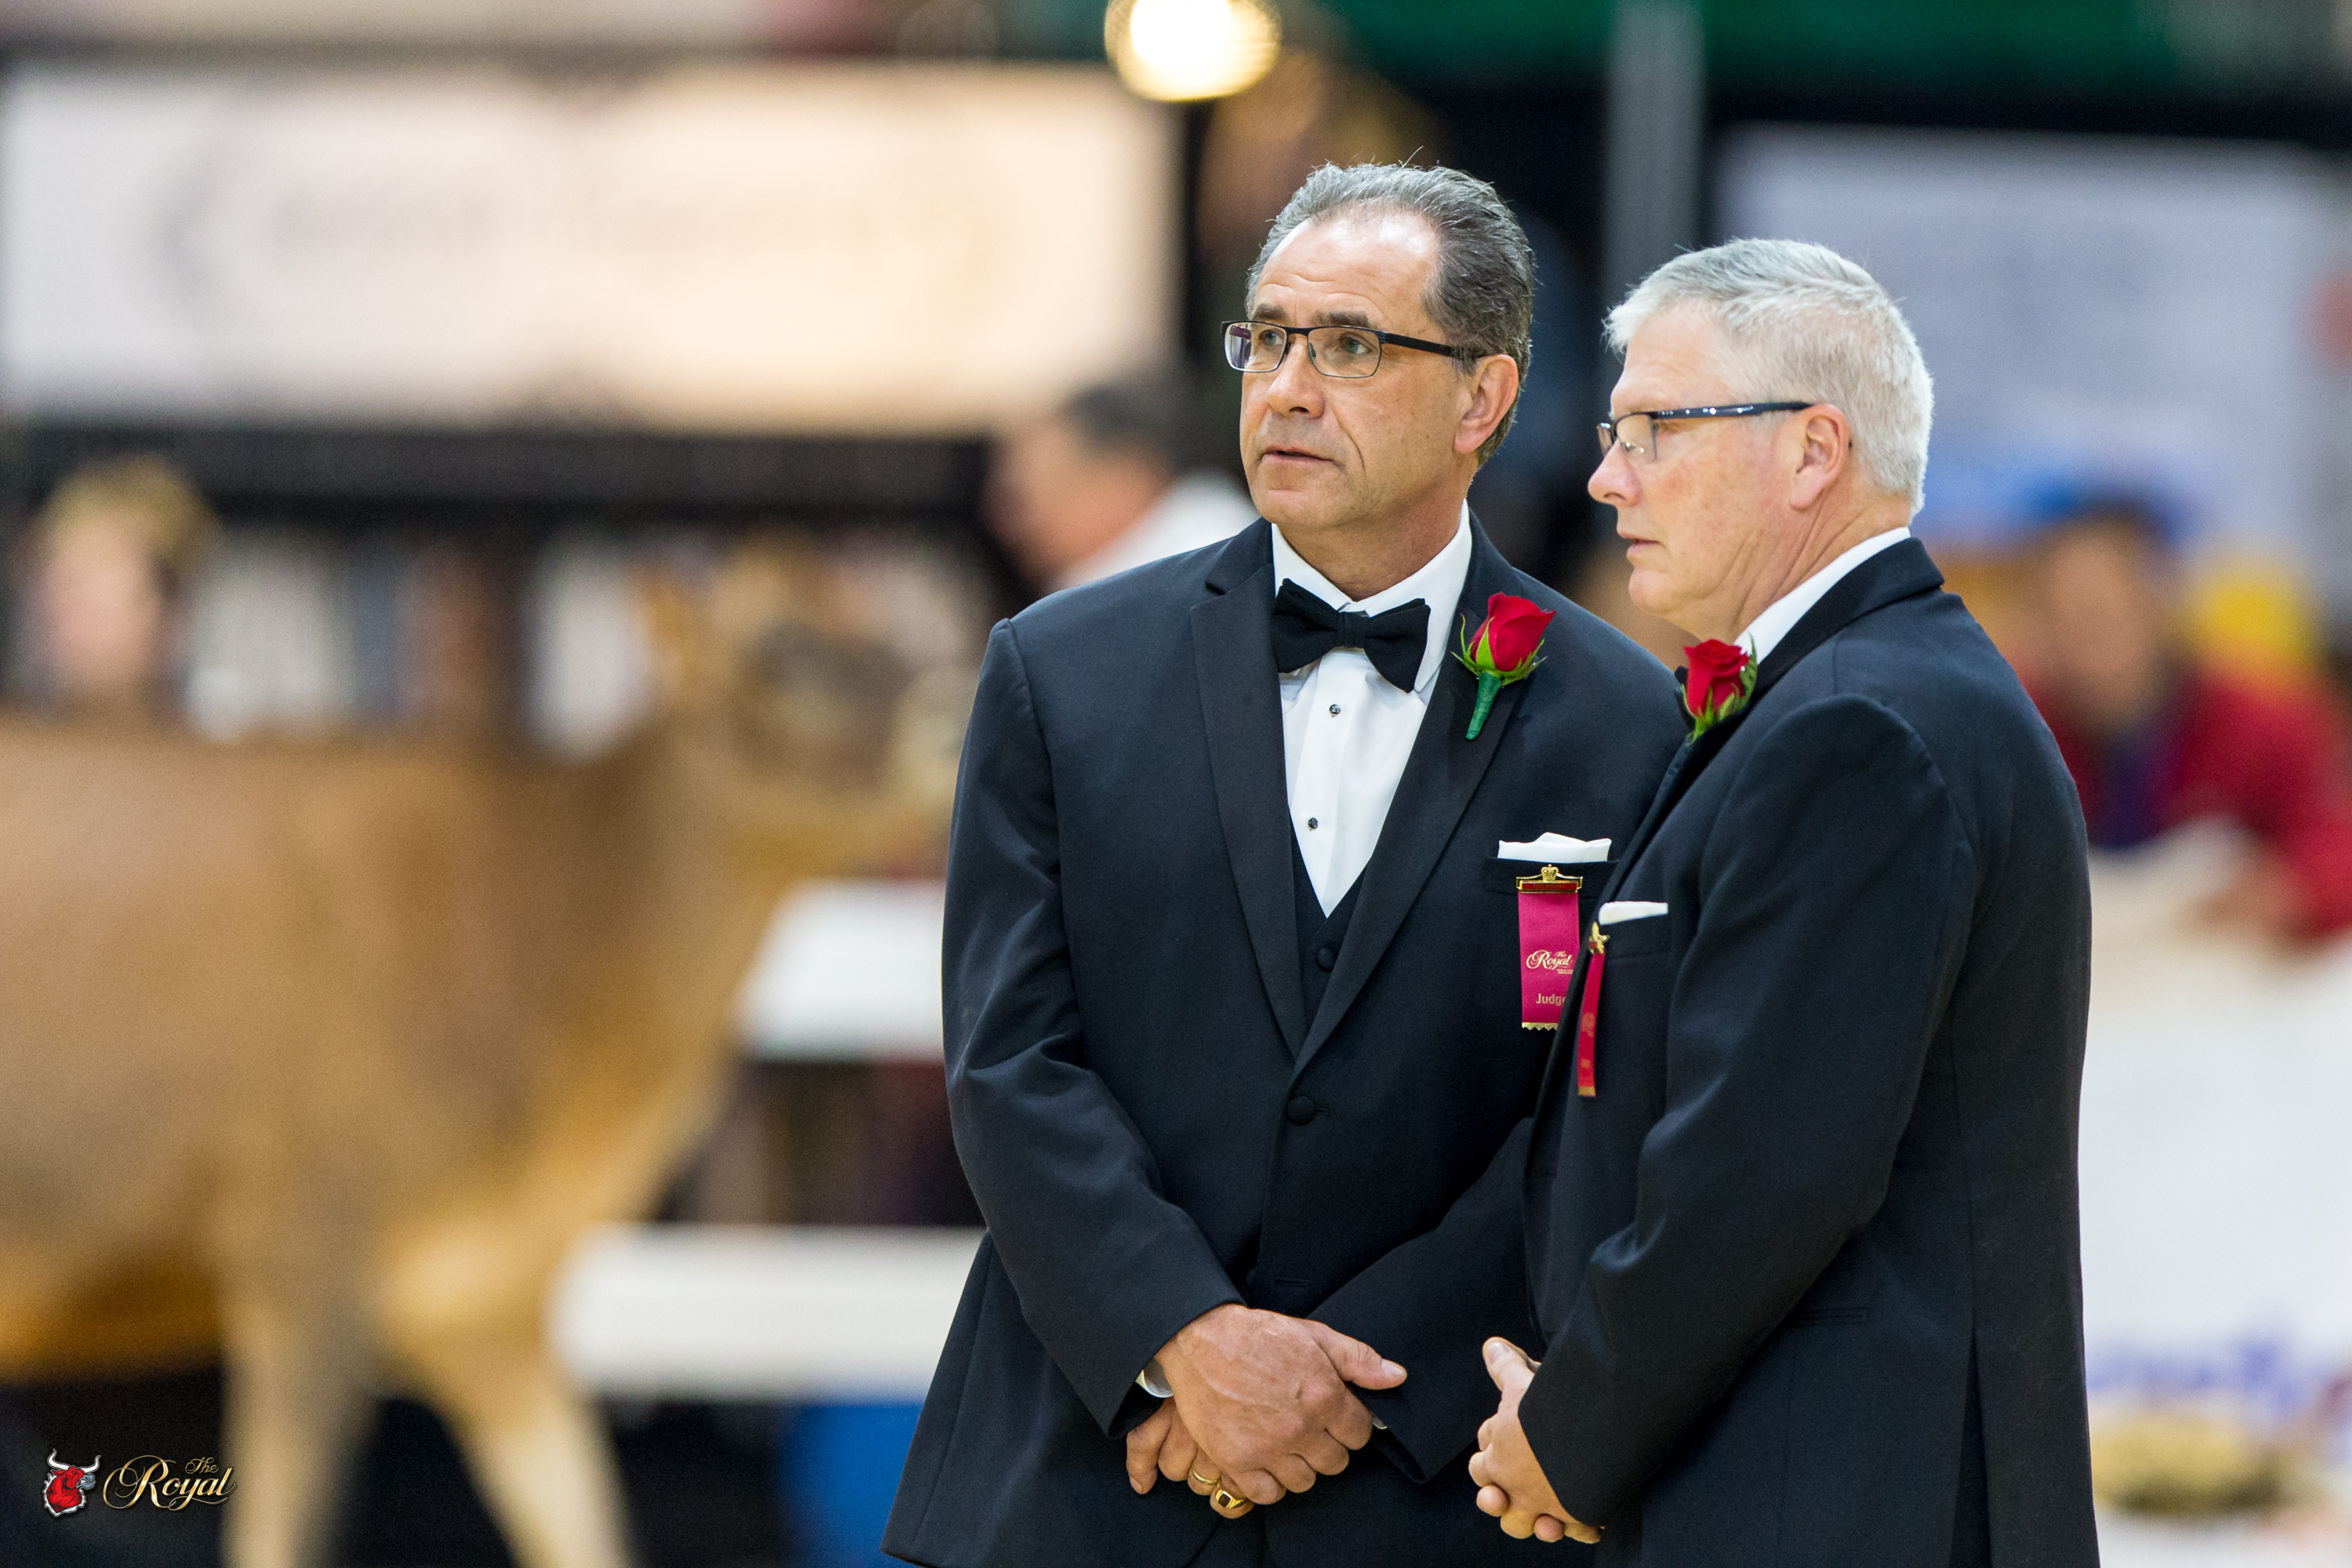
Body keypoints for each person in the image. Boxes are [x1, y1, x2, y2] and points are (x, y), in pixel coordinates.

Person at [884, 163, 1685, 1568]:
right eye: (1267, 339)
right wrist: (1183, 1338)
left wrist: (1343, 1378)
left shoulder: (1627, 723)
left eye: (1353, 346)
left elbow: (1596, 1111)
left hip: (1431, 1486)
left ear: (1484, 399)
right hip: (1087, 1471)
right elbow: (1009, 1058)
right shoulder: (1058, 673)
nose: (1289, 389)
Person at [1470, 240, 2100, 1566]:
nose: (1606, 477)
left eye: (1656, 429)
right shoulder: (1856, 693)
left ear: (1814, 451)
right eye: (1613, 432)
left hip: (1836, 1502)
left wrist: (1569, 1432)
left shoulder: (1859, 725)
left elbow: (1762, 1170)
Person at [2020, 501, 2352, 941]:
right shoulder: (2012, 724)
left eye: (2108, 613)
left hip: (2221, 961)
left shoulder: (2266, 719)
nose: (2091, 641)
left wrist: (2290, 891)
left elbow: (2334, 840)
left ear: (2161, 604)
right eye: (2067, 618)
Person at [990, 377, 1258, 594]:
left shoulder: (1215, 557)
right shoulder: (1095, 575)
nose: (1011, 523)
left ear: (1125, 477)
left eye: (1031, 497)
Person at [21, 454, 216, 718]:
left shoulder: (239, 742)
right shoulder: (13, 735)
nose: (61, 590)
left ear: (170, 607)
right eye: (52, 562)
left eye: (98, 558)